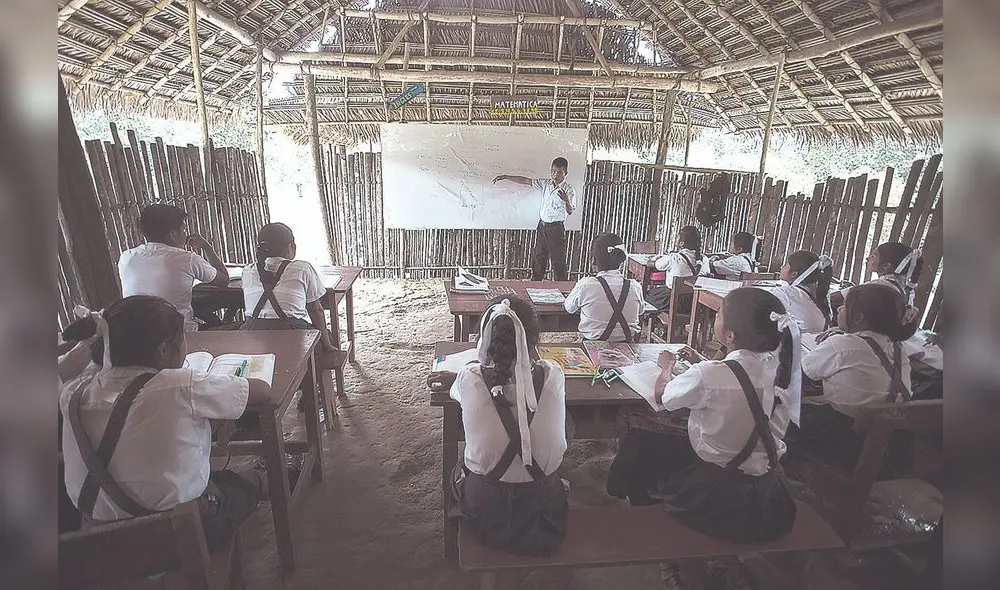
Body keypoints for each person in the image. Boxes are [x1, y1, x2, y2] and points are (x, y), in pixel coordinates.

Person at [59, 296, 282, 550]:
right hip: (177, 537)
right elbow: (262, 391)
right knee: (241, 483)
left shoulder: (72, 394)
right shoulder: (179, 385)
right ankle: (274, 478)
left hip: (99, 542)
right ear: (164, 350)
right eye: (182, 337)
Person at [607, 287, 799, 545]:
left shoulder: (710, 375)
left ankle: (657, 529)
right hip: (769, 499)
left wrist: (666, 368)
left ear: (730, 334)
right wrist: (702, 361)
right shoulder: (785, 372)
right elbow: (741, 383)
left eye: (719, 315)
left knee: (639, 444)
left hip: (715, 500)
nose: (716, 318)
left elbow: (664, 397)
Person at [429, 296, 568, 556]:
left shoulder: (469, 378)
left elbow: (475, 383)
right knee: (564, 428)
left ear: (485, 341)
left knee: (460, 468)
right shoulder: (554, 375)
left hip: (486, 516)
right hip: (544, 518)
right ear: (533, 340)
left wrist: (457, 378)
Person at [796, 283, 915, 472]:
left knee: (786, 414)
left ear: (860, 318)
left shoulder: (842, 344)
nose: (840, 309)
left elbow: (806, 369)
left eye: (844, 306)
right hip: (891, 441)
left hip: (844, 439)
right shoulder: (900, 348)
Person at [118, 204, 230, 332]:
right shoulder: (187, 259)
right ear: (173, 234)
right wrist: (206, 247)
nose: (185, 234)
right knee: (233, 327)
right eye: (183, 229)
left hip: (138, 332)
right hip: (178, 334)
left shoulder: (126, 257)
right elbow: (224, 280)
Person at [241, 223, 337, 353]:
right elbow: (316, 310)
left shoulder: (247, 271)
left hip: (254, 334)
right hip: (292, 335)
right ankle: (313, 371)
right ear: (289, 247)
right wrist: (327, 345)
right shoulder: (302, 268)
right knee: (325, 337)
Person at [493, 157, 578, 281]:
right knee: (539, 257)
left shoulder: (569, 190)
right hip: (542, 226)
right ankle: (536, 283)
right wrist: (506, 176)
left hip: (556, 228)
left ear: (566, 173)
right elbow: (527, 181)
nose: (555, 175)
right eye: (553, 171)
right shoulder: (546, 184)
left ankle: (562, 286)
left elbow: (570, 211)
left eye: (559, 172)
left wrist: (566, 200)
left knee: (557, 260)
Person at [563, 232, 644, 342]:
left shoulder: (586, 285)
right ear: (620, 260)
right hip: (628, 349)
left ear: (593, 260)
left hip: (591, 347)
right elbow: (640, 312)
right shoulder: (635, 287)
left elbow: (569, 308)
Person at [759, 250, 834, 333]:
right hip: (818, 341)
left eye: (786, 265)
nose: (782, 267)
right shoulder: (823, 293)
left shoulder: (785, 293)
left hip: (799, 344)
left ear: (794, 274)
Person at [645, 225, 703, 312]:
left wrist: (654, 259)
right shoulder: (703, 259)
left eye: (677, 237)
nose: (676, 238)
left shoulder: (674, 258)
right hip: (692, 303)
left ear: (681, 243)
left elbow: (652, 264)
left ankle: (649, 321)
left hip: (673, 301)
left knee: (647, 296)